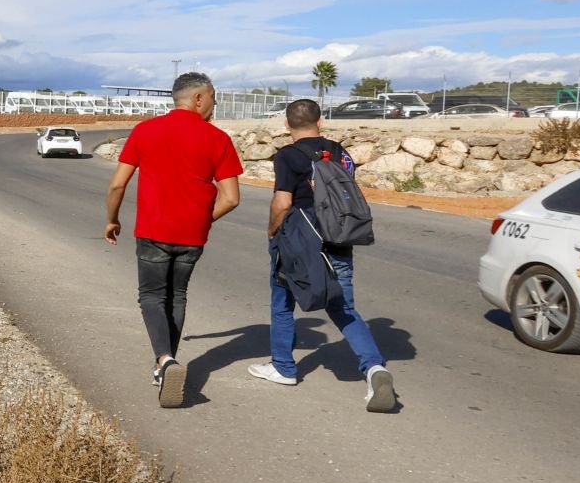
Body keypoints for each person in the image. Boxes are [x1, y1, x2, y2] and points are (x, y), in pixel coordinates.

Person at [103, 72, 243, 406]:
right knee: (177, 296)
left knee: (151, 295)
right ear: (198, 98)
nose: (214, 103)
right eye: (212, 97)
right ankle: (166, 366)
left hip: (153, 231)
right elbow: (231, 198)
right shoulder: (218, 138)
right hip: (192, 236)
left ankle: (165, 360)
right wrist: (199, 218)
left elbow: (117, 185)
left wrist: (111, 219)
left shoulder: (145, 131)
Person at [249, 98, 396, 411]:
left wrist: (272, 230)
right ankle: (374, 368)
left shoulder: (287, 156)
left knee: (282, 302)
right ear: (321, 120)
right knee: (344, 307)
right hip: (338, 236)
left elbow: (283, 202)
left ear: (287, 125)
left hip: (300, 239)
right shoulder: (340, 151)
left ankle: (284, 367)